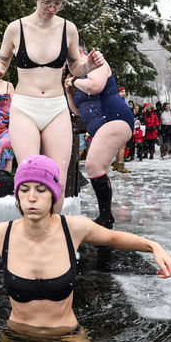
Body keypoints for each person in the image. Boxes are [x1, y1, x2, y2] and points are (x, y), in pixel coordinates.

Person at [0, 154, 171, 335]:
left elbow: (114, 238)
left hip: (66, 336)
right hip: (18, 337)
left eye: (41, 190)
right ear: (17, 196)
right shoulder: (2, 234)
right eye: (25, 190)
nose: (32, 198)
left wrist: (154, 246)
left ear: (53, 194)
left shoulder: (72, 227)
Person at [0, 0, 105, 212]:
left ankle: (53, 234)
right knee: (30, 176)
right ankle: (28, 234)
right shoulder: (16, 28)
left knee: (57, 178)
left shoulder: (68, 28)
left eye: (58, 3)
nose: (52, 9)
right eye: (47, 2)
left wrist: (89, 66)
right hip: (25, 107)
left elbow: (75, 66)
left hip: (55, 108)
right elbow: (2, 59)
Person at [64, 50, 134, 228]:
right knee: (99, 169)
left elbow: (95, 87)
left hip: (114, 118)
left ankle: (105, 216)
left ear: (81, 52)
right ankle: (106, 216)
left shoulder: (97, 63)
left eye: (71, 58)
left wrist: (74, 81)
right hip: (100, 126)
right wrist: (69, 91)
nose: (68, 63)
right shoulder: (77, 77)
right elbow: (77, 111)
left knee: (92, 165)